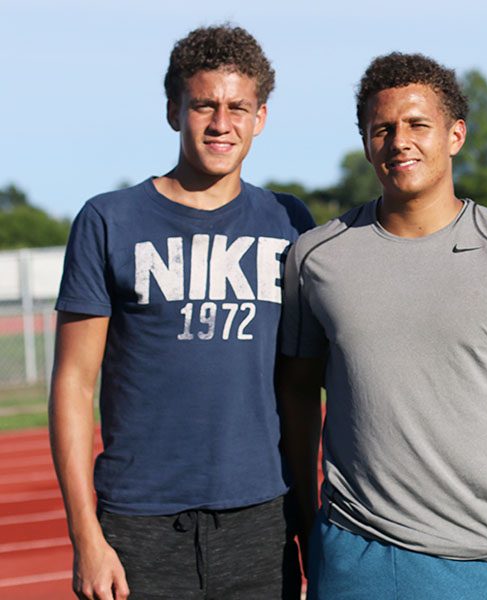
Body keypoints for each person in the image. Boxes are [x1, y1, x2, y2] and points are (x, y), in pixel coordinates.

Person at [279, 52, 487, 599]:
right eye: (383, 128)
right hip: (353, 554)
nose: (400, 141)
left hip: (481, 559)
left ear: (455, 135)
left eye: (418, 124)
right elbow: (298, 399)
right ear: (366, 141)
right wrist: (310, 531)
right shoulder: (315, 257)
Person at [49, 24, 315, 599]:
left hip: (261, 517)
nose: (222, 123)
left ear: (261, 117)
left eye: (238, 107)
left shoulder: (289, 223)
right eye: (204, 105)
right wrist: (85, 536)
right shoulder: (108, 220)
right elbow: (73, 383)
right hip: (138, 520)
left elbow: (299, 388)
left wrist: (308, 520)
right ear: (174, 111)